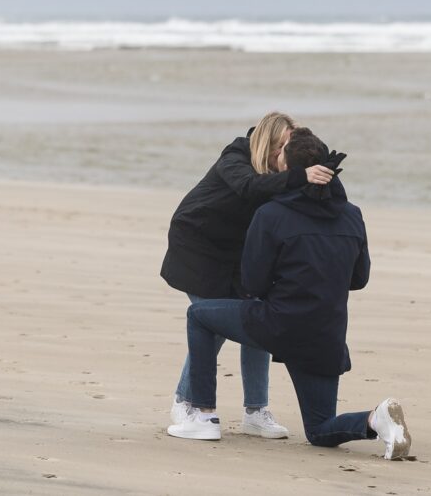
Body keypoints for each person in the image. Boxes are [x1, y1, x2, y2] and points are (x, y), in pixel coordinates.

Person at [167, 128, 412, 460]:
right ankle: (376, 418)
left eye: (282, 152)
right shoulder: (353, 215)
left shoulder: (271, 214)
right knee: (320, 429)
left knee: (200, 315)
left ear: (288, 167)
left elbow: (252, 285)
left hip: (278, 325)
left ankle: (202, 414)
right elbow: (359, 279)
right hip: (327, 337)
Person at [160, 112, 336, 439]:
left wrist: (318, 164)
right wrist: (299, 176)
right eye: (283, 145)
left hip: (236, 254)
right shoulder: (237, 156)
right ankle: (186, 403)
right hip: (197, 246)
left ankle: (256, 412)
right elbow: (248, 187)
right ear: (268, 144)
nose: (287, 152)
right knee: (212, 322)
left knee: (258, 319)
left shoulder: (282, 170)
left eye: (290, 146)